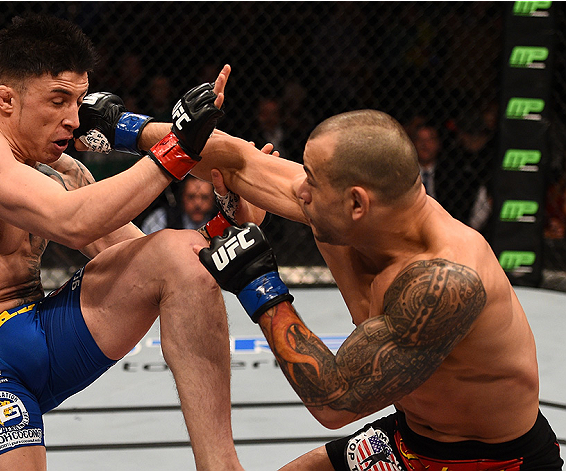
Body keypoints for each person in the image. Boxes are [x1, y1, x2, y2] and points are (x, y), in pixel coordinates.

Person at [0, 15, 244, 471]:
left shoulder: (62, 170)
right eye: (57, 100)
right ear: (5, 99)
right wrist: (177, 146)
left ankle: (220, 466)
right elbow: (72, 222)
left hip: (41, 330)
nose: (73, 119)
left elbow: (147, 256)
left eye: (79, 101)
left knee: (179, 256)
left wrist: (226, 216)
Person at [193, 108, 563, 470]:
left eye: (312, 182)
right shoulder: (347, 211)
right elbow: (236, 161)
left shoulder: (446, 280)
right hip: (410, 439)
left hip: (494, 462)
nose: (299, 191)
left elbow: (334, 401)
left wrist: (259, 285)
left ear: (357, 202)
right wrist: (139, 130)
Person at [141, 176, 217, 234]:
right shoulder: (162, 218)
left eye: (205, 197)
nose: (198, 204)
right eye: (191, 197)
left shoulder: (221, 220)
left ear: (213, 198)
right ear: (182, 197)